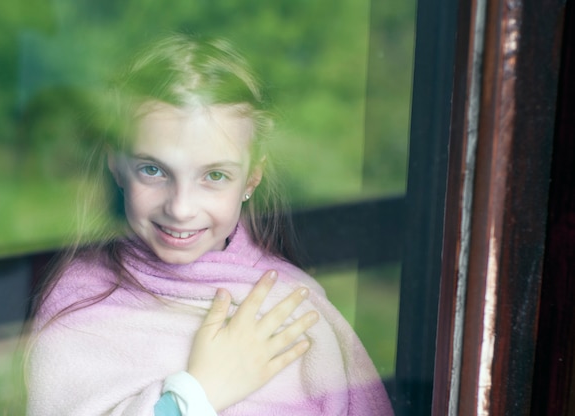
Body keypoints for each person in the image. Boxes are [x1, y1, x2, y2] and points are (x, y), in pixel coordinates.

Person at [25, 34, 393, 416]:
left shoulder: (293, 309)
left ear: (251, 178)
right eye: (153, 170)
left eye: (214, 176)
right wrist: (198, 393)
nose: (181, 208)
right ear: (116, 165)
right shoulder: (82, 303)